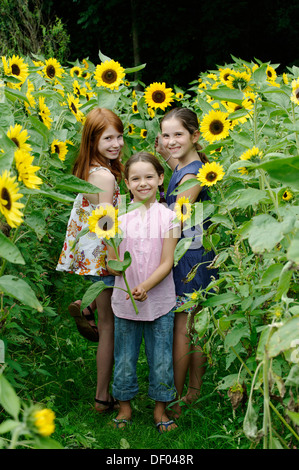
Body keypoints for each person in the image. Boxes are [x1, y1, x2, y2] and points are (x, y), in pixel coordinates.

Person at [56, 107, 124, 413]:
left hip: (90, 256)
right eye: (108, 138)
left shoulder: (92, 170)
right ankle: (101, 396)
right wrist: (115, 259)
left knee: (104, 316)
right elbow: (106, 223)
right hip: (103, 257)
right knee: (109, 327)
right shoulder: (105, 176)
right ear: (92, 140)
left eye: (119, 136)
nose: (116, 143)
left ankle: (87, 305)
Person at [107, 152, 181, 432]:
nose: (143, 183)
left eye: (149, 176)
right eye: (135, 178)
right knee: (124, 357)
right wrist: (115, 266)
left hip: (160, 299)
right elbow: (112, 261)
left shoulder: (170, 218)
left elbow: (167, 261)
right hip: (124, 300)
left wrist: (146, 286)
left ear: (161, 179)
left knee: (161, 357)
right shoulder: (117, 219)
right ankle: (124, 408)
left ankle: (160, 410)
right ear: (126, 183)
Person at [155, 107, 217, 418]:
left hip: (189, 256)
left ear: (195, 135)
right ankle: (193, 391)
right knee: (193, 326)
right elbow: (175, 169)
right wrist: (166, 154)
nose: (170, 140)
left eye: (178, 134)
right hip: (192, 253)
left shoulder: (192, 174)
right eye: (166, 135)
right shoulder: (186, 165)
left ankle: (177, 400)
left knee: (183, 327)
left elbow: (176, 219)